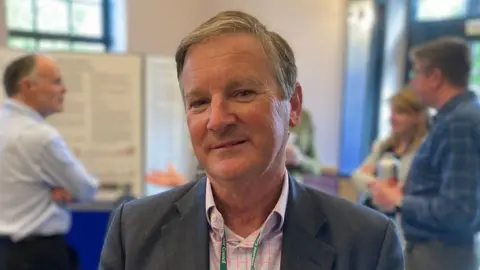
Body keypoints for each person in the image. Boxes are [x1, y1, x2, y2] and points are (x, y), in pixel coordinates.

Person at [100, 10, 403, 270]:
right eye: (199, 102)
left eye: (242, 93)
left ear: (293, 106)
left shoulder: (367, 242)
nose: (217, 120)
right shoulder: (134, 230)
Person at [371, 37, 480, 270]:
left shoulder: (459, 122)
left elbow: (460, 211)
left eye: (416, 73)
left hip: (441, 256)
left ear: (435, 77)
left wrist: (398, 200)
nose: (413, 83)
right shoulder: (452, 118)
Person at [0, 54, 99, 270]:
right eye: (56, 82)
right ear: (27, 86)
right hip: (38, 256)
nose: (64, 90)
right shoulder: (41, 136)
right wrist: (63, 189)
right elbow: (85, 188)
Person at [352, 87, 429, 243]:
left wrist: (373, 179)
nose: (392, 118)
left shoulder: (424, 150)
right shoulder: (383, 146)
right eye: (391, 112)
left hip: (402, 229)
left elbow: (409, 190)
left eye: (400, 113)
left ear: (417, 117)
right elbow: (357, 177)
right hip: (372, 220)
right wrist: (381, 187)